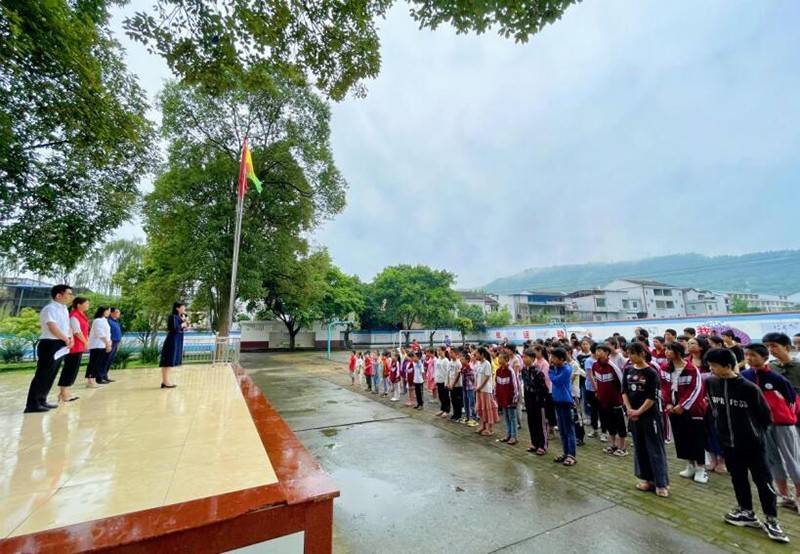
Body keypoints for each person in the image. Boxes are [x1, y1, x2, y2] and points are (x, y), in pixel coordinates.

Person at [705, 348, 788, 543]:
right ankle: (746, 512)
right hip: (728, 443)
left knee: (763, 482)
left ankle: (772, 520)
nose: (711, 369)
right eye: (710, 366)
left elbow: (765, 417)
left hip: (752, 445)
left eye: (714, 366)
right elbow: (714, 409)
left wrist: (754, 434)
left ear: (727, 365)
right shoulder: (711, 383)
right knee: (738, 479)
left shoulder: (749, 388)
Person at [741, 343, 800, 510]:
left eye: (754, 355)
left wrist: (784, 417)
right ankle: (784, 494)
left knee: (792, 460)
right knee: (772, 461)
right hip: (761, 426)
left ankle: (799, 494)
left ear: (765, 358)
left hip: (783, 425)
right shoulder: (745, 376)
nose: (750, 358)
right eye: (747, 355)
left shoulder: (776, 378)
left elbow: (792, 401)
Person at [623, 342, 669, 497]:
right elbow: (624, 391)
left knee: (655, 449)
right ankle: (646, 479)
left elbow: (652, 397)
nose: (629, 357)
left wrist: (639, 411)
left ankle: (661, 483)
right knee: (640, 447)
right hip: (633, 416)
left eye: (632, 353)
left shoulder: (651, 372)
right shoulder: (628, 370)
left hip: (650, 416)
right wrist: (629, 409)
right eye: (628, 354)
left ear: (642, 353)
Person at [662, 342, 708, 483]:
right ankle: (690, 465)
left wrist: (683, 405)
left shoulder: (691, 369)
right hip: (674, 409)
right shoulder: (665, 368)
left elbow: (695, 389)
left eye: (670, 350)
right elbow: (663, 386)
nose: (667, 352)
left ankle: (701, 469)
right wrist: (668, 402)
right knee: (682, 438)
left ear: (678, 352)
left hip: (692, 410)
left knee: (696, 438)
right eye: (666, 349)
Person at [24, 284, 74, 413]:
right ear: (58, 295)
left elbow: (67, 326)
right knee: (43, 374)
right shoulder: (50, 308)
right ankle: (33, 404)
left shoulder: (63, 309)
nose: (70, 296)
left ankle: (42, 400)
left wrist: (70, 338)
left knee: (51, 374)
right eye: (68, 294)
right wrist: (65, 338)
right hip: (50, 344)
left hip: (61, 343)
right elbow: (52, 326)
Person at [592, 345, 628, 455]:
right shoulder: (595, 365)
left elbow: (622, 383)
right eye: (597, 351)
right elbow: (597, 380)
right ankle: (613, 445)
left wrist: (622, 399)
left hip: (616, 402)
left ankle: (622, 447)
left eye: (600, 351)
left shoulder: (612, 366)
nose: (598, 353)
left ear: (607, 353)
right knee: (609, 424)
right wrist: (598, 392)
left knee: (620, 425)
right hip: (604, 402)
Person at [57, 297, 90, 403]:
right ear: (79, 305)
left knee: (73, 370)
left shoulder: (82, 316)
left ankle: (65, 392)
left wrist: (85, 342)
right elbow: (77, 332)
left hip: (79, 346)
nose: (88, 305)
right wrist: (86, 342)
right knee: (69, 369)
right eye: (86, 303)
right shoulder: (74, 316)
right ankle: (64, 392)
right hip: (74, 347)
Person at [549, 347, 576, 466]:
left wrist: (550, 372)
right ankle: (565, 453)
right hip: (557, 401)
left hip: (565, 402)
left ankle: (571, 455)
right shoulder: (556, 368)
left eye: (554, 357)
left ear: (561, 359)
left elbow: (557, 381)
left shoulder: (566, 369)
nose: (552, 359)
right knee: (562, 429)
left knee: (569, 429)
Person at [522, 348, 550, 455]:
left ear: (533, 358)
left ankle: (542, 445)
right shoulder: (524, 370)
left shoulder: (538, 372)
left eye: (526, 357)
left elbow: (544, 388)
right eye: (523, 357)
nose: (524, 359)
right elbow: (525, 385)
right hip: (529, 401)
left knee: (540, 424)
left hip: (538, 402)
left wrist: (540, 399)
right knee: (531, 422)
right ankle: (534, 443)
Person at [159, 302, 187, 388]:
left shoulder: (180, 317)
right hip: (172, 340)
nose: (184, 308)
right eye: (183, 307)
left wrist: (184, 324)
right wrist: (182, 324)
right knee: (167, 361)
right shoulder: (173, 317)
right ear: (177, 308)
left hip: (177, 340)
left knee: (171, 360)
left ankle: (166, 381)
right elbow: (173, 328)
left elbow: (181, 329)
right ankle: (165, 381)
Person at [495, 351, 520, 445]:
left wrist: (514, 399)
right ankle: (508, 434)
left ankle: (514, 436)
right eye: (499, 358)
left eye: (501, 358)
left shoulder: (510, 371)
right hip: (502, 398)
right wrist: (496, 395)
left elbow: (515, 385)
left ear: (506, 360)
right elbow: (497, 384)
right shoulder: (498, 371)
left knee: (512, 417)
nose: (499, 360)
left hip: (510, 399)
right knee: (506, 417)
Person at [85, 307, 112, 388]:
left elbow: (107, 334)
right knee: (94, 363)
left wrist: (109, 343)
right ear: (103, 311)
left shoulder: (104, 320)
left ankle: (93, 380)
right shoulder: (98, 320)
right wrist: (107, 343)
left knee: (98, 363)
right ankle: (90, 381)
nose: (109, 312)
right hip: (97, 345)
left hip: (103, 345)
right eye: (108, 310)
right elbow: (100, 333)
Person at [475, 347, 498, 436]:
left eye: (477, 353)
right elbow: (478, 377)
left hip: (485, 390)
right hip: (479, 390)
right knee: (481, 408)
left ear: (482, 354)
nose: (476, 355)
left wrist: (480, 387)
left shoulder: (487, 364)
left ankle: (489, 428)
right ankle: (483, 425)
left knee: (488, 408)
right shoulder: (479, 364)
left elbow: (487, 377)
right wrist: (477, 386)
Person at [99, 307, 122, 383]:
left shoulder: (115, 322)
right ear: (112, 313)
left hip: (116, 343)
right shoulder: (108, 321)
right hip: (110, 343)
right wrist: (108, 343)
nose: (119, 314)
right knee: (105, 360)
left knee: (110, 360)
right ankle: (100, 377)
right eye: (117, 312)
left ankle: (105, 376)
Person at [462, 351, 478, 426]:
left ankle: (473, 417)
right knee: (465, 402)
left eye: (463, 359)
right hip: (465, 386)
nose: (461, 360)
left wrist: (475, 386)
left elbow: (473, 378)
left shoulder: (469, 368)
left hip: (470, 387)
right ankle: (467, 416)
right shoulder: (464, 367)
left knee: (471, 402)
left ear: (467, 360)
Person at [447, 350, 463, 422]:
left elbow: (458, 375)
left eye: (452, 353)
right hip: (451, 384)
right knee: (453, 400)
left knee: (458, 401)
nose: (450, 354)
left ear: (456, 354)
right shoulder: (450, 362)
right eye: (450, 353)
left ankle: (458, 415)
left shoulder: (458, 363)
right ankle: (454, 414)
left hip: (457, 385)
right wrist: (448, 383)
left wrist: (453, 384)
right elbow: (449, 373)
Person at [435, 348, 450, 417]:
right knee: (440, 396)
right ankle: (442, 409)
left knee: (445, 396)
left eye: (440, 350)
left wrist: (447, 382)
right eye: (438, 351)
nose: (439, 352)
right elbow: (436, 370)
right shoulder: (438, 359)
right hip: (439, 380)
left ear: (444, 351)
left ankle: (447, 410)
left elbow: (448, 372)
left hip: (444, 381)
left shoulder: (446, 360)